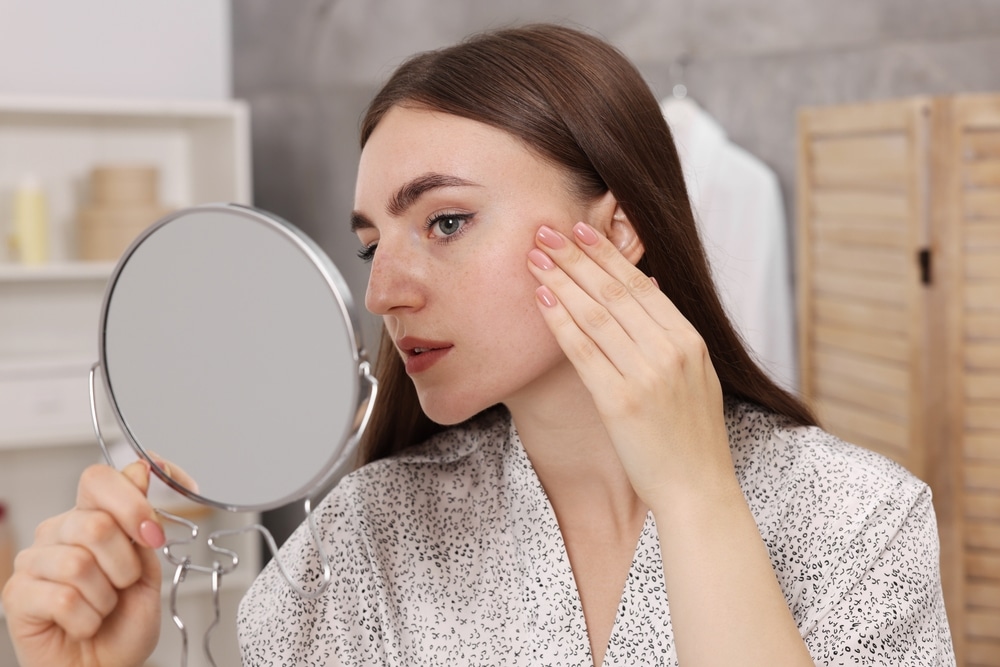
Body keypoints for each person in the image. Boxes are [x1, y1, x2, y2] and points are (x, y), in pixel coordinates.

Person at [2, 23, 954, 667]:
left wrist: (698, 497)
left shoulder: (860, 523)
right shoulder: (364, 538)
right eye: (372, 242)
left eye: (447, 222)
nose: (384, 289)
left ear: (618, 231)